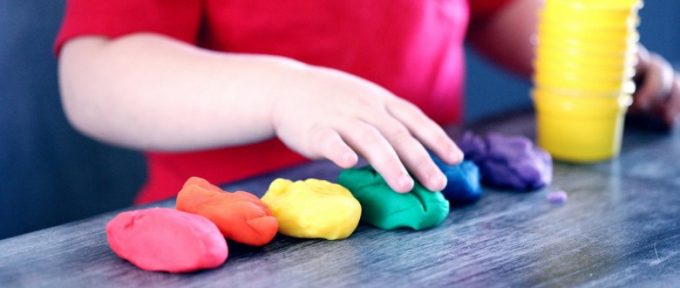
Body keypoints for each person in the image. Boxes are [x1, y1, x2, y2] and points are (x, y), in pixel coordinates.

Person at [56, 0, 680, 204]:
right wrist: (284, 91)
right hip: (240, 236)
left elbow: (495, 13)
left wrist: (600, 64)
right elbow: (95, 76)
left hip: (435, 220)